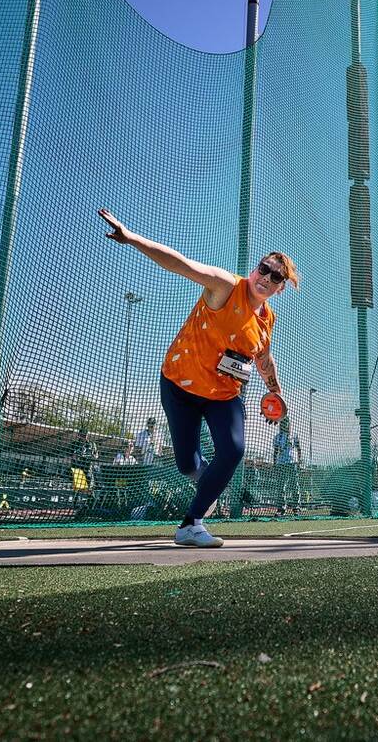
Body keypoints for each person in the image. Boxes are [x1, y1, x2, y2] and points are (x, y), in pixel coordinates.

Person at [99, 208, 297, 547]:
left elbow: (262, 356)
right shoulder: (226, 286)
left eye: (275, 277)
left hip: (223, 394)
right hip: (180, 384)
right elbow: (180, 264)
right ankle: (205, 480)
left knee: (233, 449)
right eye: (263, 268)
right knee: (186, 462)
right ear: (255, 268)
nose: (265, 276)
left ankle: (191, 523)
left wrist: (276, 392)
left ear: (280, 288)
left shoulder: (267, 318)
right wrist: (131, 238)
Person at [272, 417, 302, 514]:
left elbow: (298, 448)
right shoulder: (278, 437)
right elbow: (275, 451)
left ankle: (296, 507)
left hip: (292, 463)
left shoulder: (294, 435)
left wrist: (299, 461)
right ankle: (281, 508)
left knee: (294, 485)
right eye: (283, 423)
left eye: (286, 423)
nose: (285, 425)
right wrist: (275, 464)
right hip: (281, 464)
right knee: (281, 486)